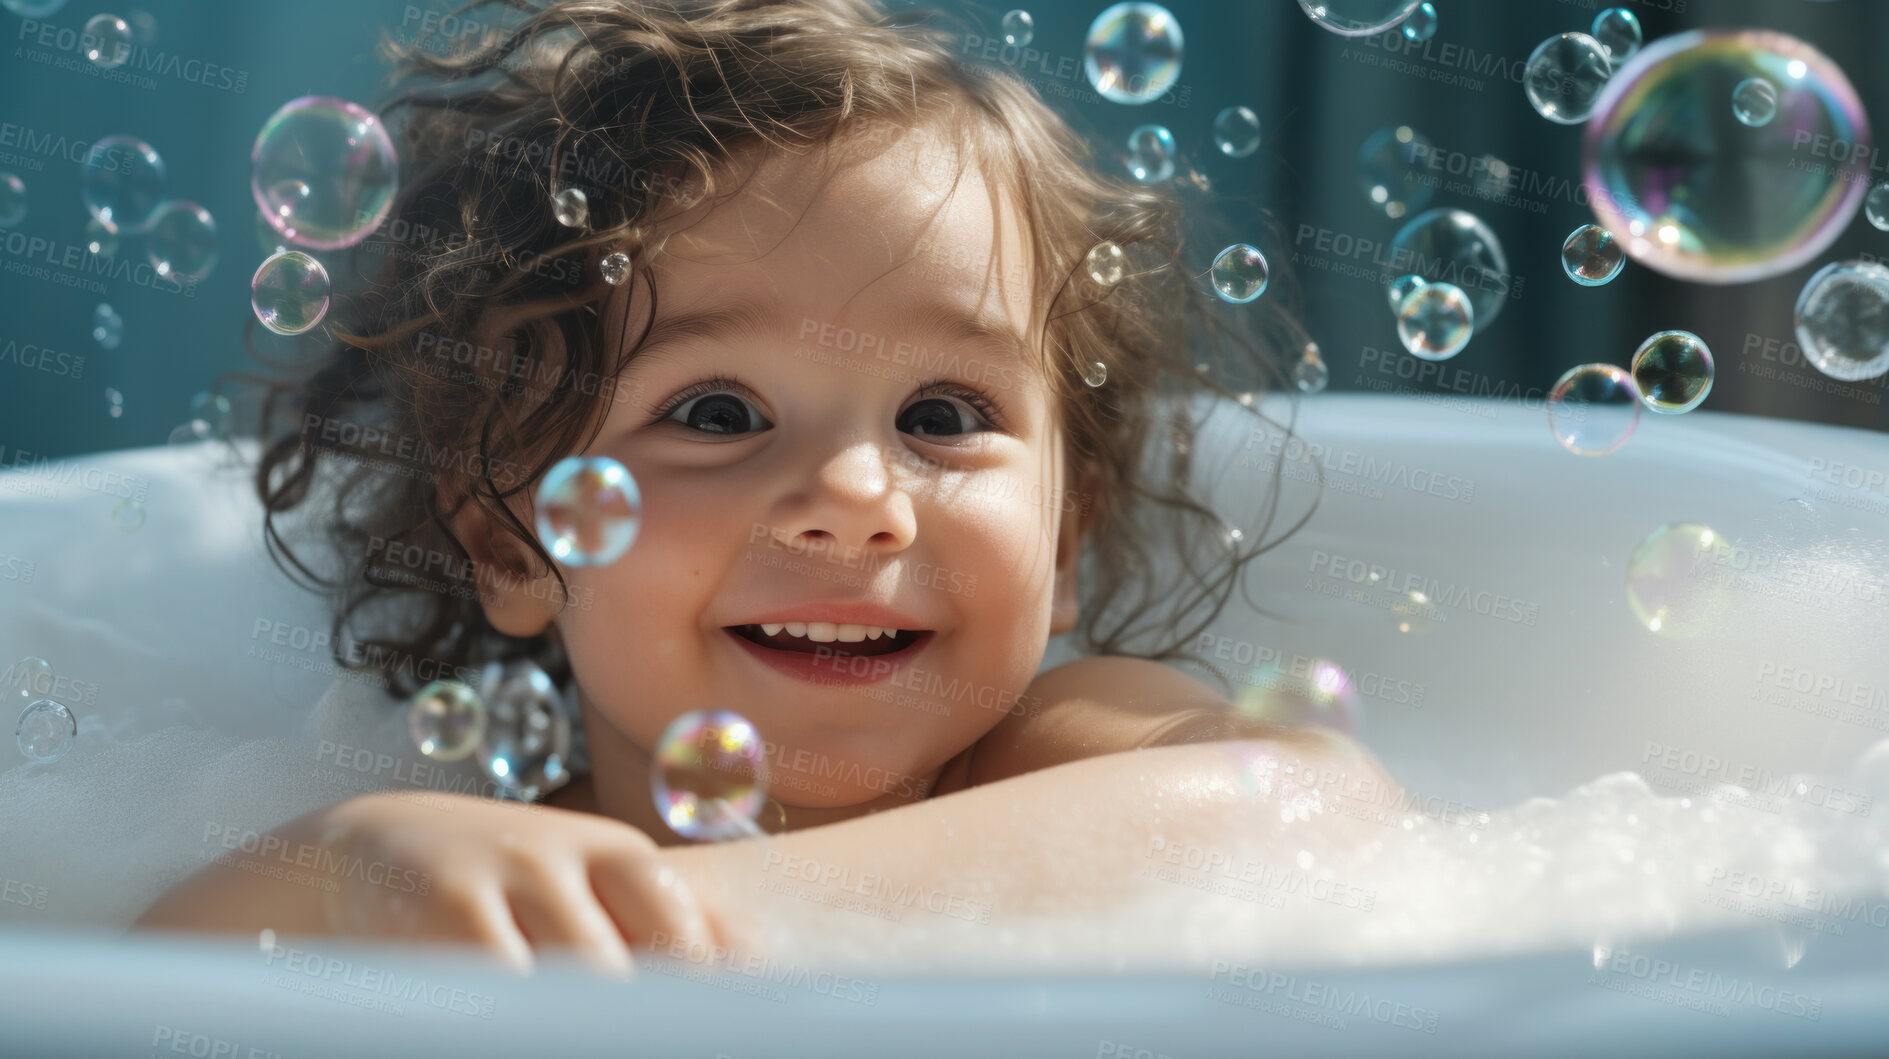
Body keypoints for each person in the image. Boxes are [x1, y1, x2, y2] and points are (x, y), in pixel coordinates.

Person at [136, 0, 1391, 976]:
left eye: (942, 417)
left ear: (1065, 540)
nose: (853, 498)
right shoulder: (491, 867)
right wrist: (351, 869)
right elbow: (130, 996)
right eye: (716, 414)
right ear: (515, 544)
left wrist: (678, 933)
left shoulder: (1048, 749)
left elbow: (1304, 817)